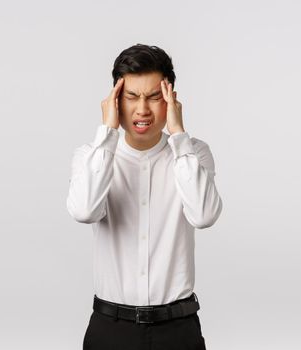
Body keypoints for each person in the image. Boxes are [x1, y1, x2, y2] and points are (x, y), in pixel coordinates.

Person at [66, 43, 223, 350]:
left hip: (178, 329)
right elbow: (84, 211)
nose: (142, 110)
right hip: (110, 329)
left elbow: (204, 216)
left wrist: (179, 136)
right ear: (115, 101)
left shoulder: (193, 153)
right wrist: (107, 133)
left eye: (154, 97)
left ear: (170, 100)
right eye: (131, 97)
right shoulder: (91, 156)